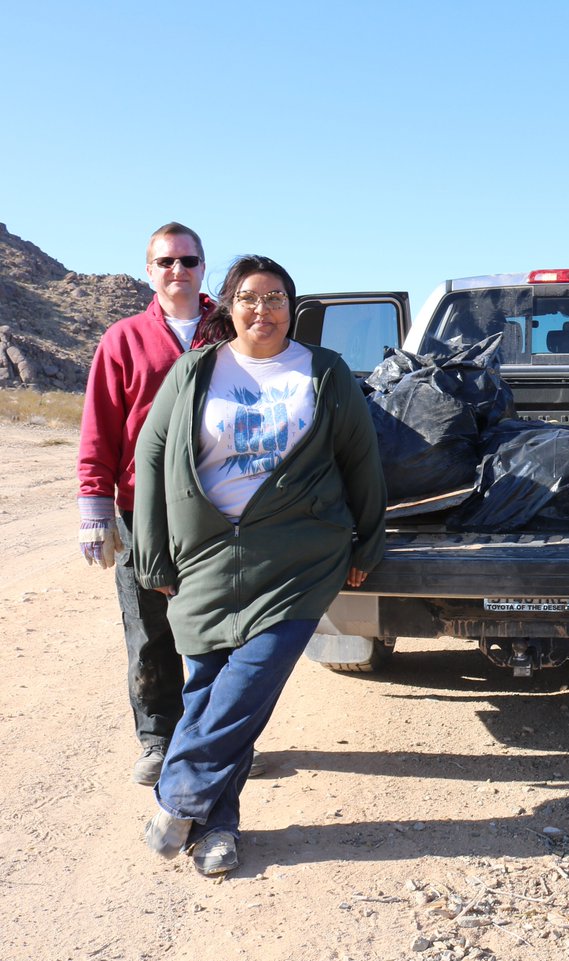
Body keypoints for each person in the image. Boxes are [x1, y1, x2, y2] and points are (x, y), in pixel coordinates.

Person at [135, 255, 386, 875]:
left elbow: (361, 460)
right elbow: (151, 454)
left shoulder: (323, 372)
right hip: (206, 559)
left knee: (247, 685)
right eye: (249, 297)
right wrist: (153, 551)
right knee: (204, 694)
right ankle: (216, 829)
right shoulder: (195, 371)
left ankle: (178, 796)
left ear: (291, 308)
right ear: (228, 306)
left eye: (276, 298)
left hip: (297, 559)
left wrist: (368, 543)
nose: (263, 310)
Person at [76, 222, 255, 785]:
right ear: (149, 270)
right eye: (166, 262)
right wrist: (95, 507)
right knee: (149, 627)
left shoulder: (234, 330)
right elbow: (100, 427)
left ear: (205, 268)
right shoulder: (122, 339)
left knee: (225, 629)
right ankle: (159, 738)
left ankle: (223, 739)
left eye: (189, 261)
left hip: (224, 507)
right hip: (141, 508)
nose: (177, 271)